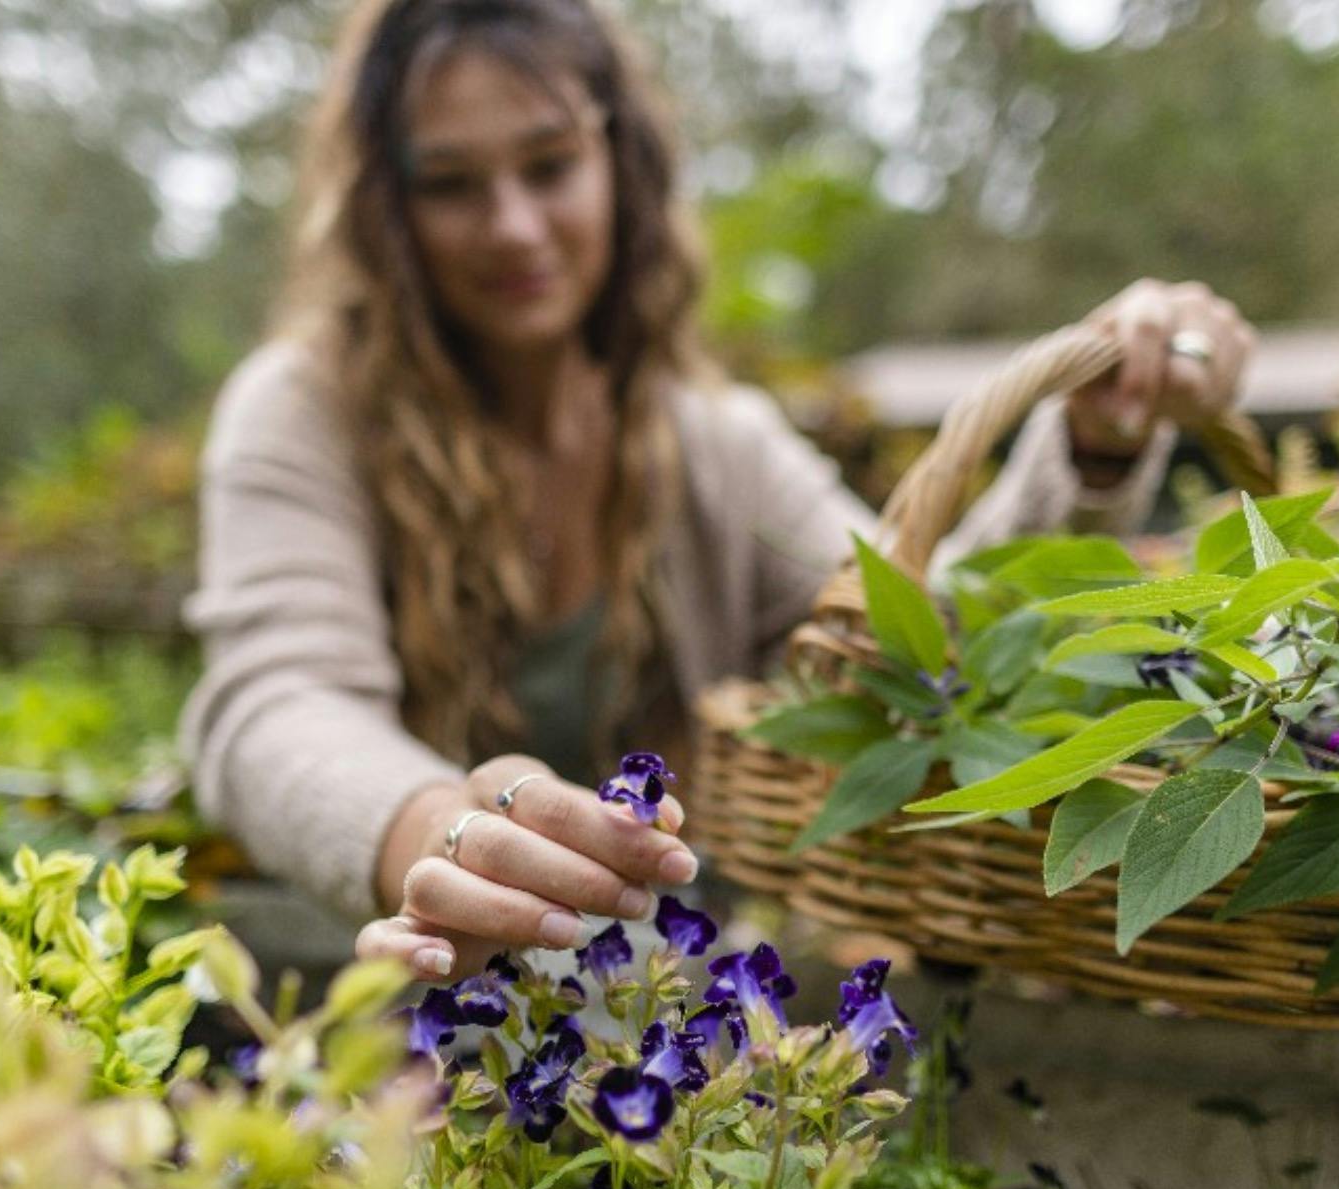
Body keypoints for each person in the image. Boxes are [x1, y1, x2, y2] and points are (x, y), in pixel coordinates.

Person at [180, 0, 1255, 984]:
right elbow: (273, 707)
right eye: (450, 183)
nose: (511, 225)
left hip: (675, 1021)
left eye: (548, 165)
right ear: (386, 208)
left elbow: (922, 636)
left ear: (620, 163)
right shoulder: (303, 411)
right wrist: (429, 832)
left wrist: (1092, 446)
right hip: (402, 1009)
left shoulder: (706, 442)